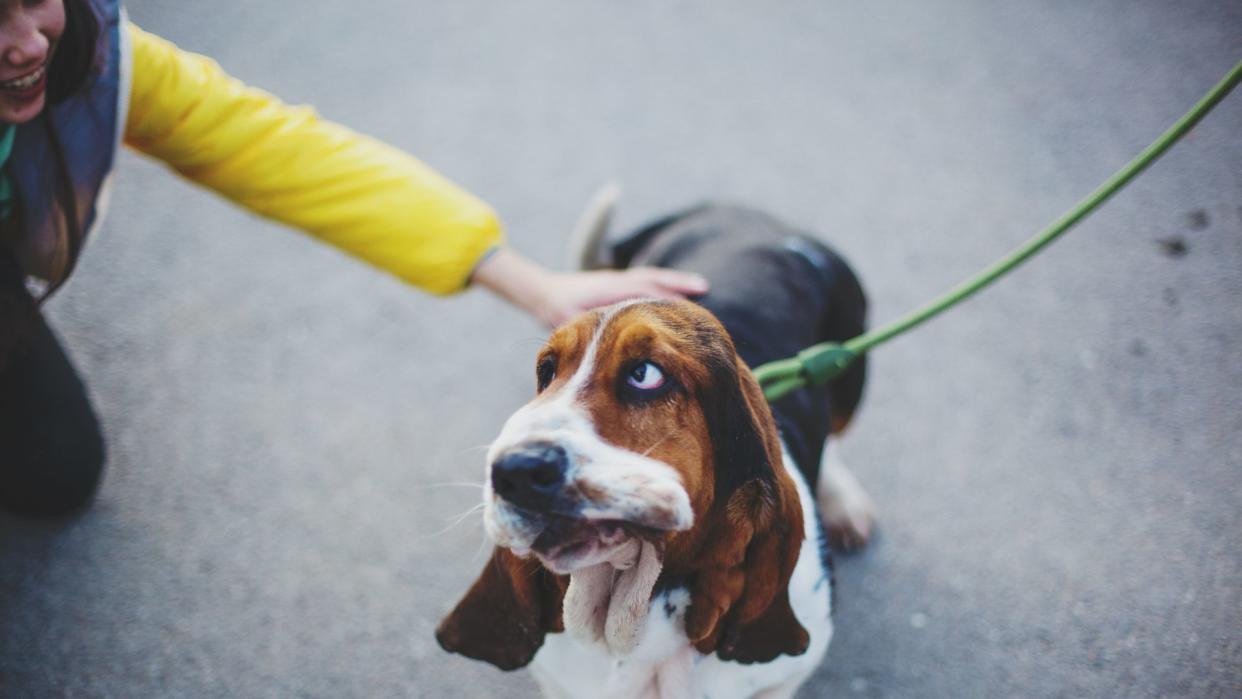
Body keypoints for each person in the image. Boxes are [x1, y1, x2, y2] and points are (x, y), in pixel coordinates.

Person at [0, 0, 707, 517]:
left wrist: (531, 285)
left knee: (62, 468)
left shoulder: (97, 53)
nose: (29, 43)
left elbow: (278, 149)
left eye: (34, 0)